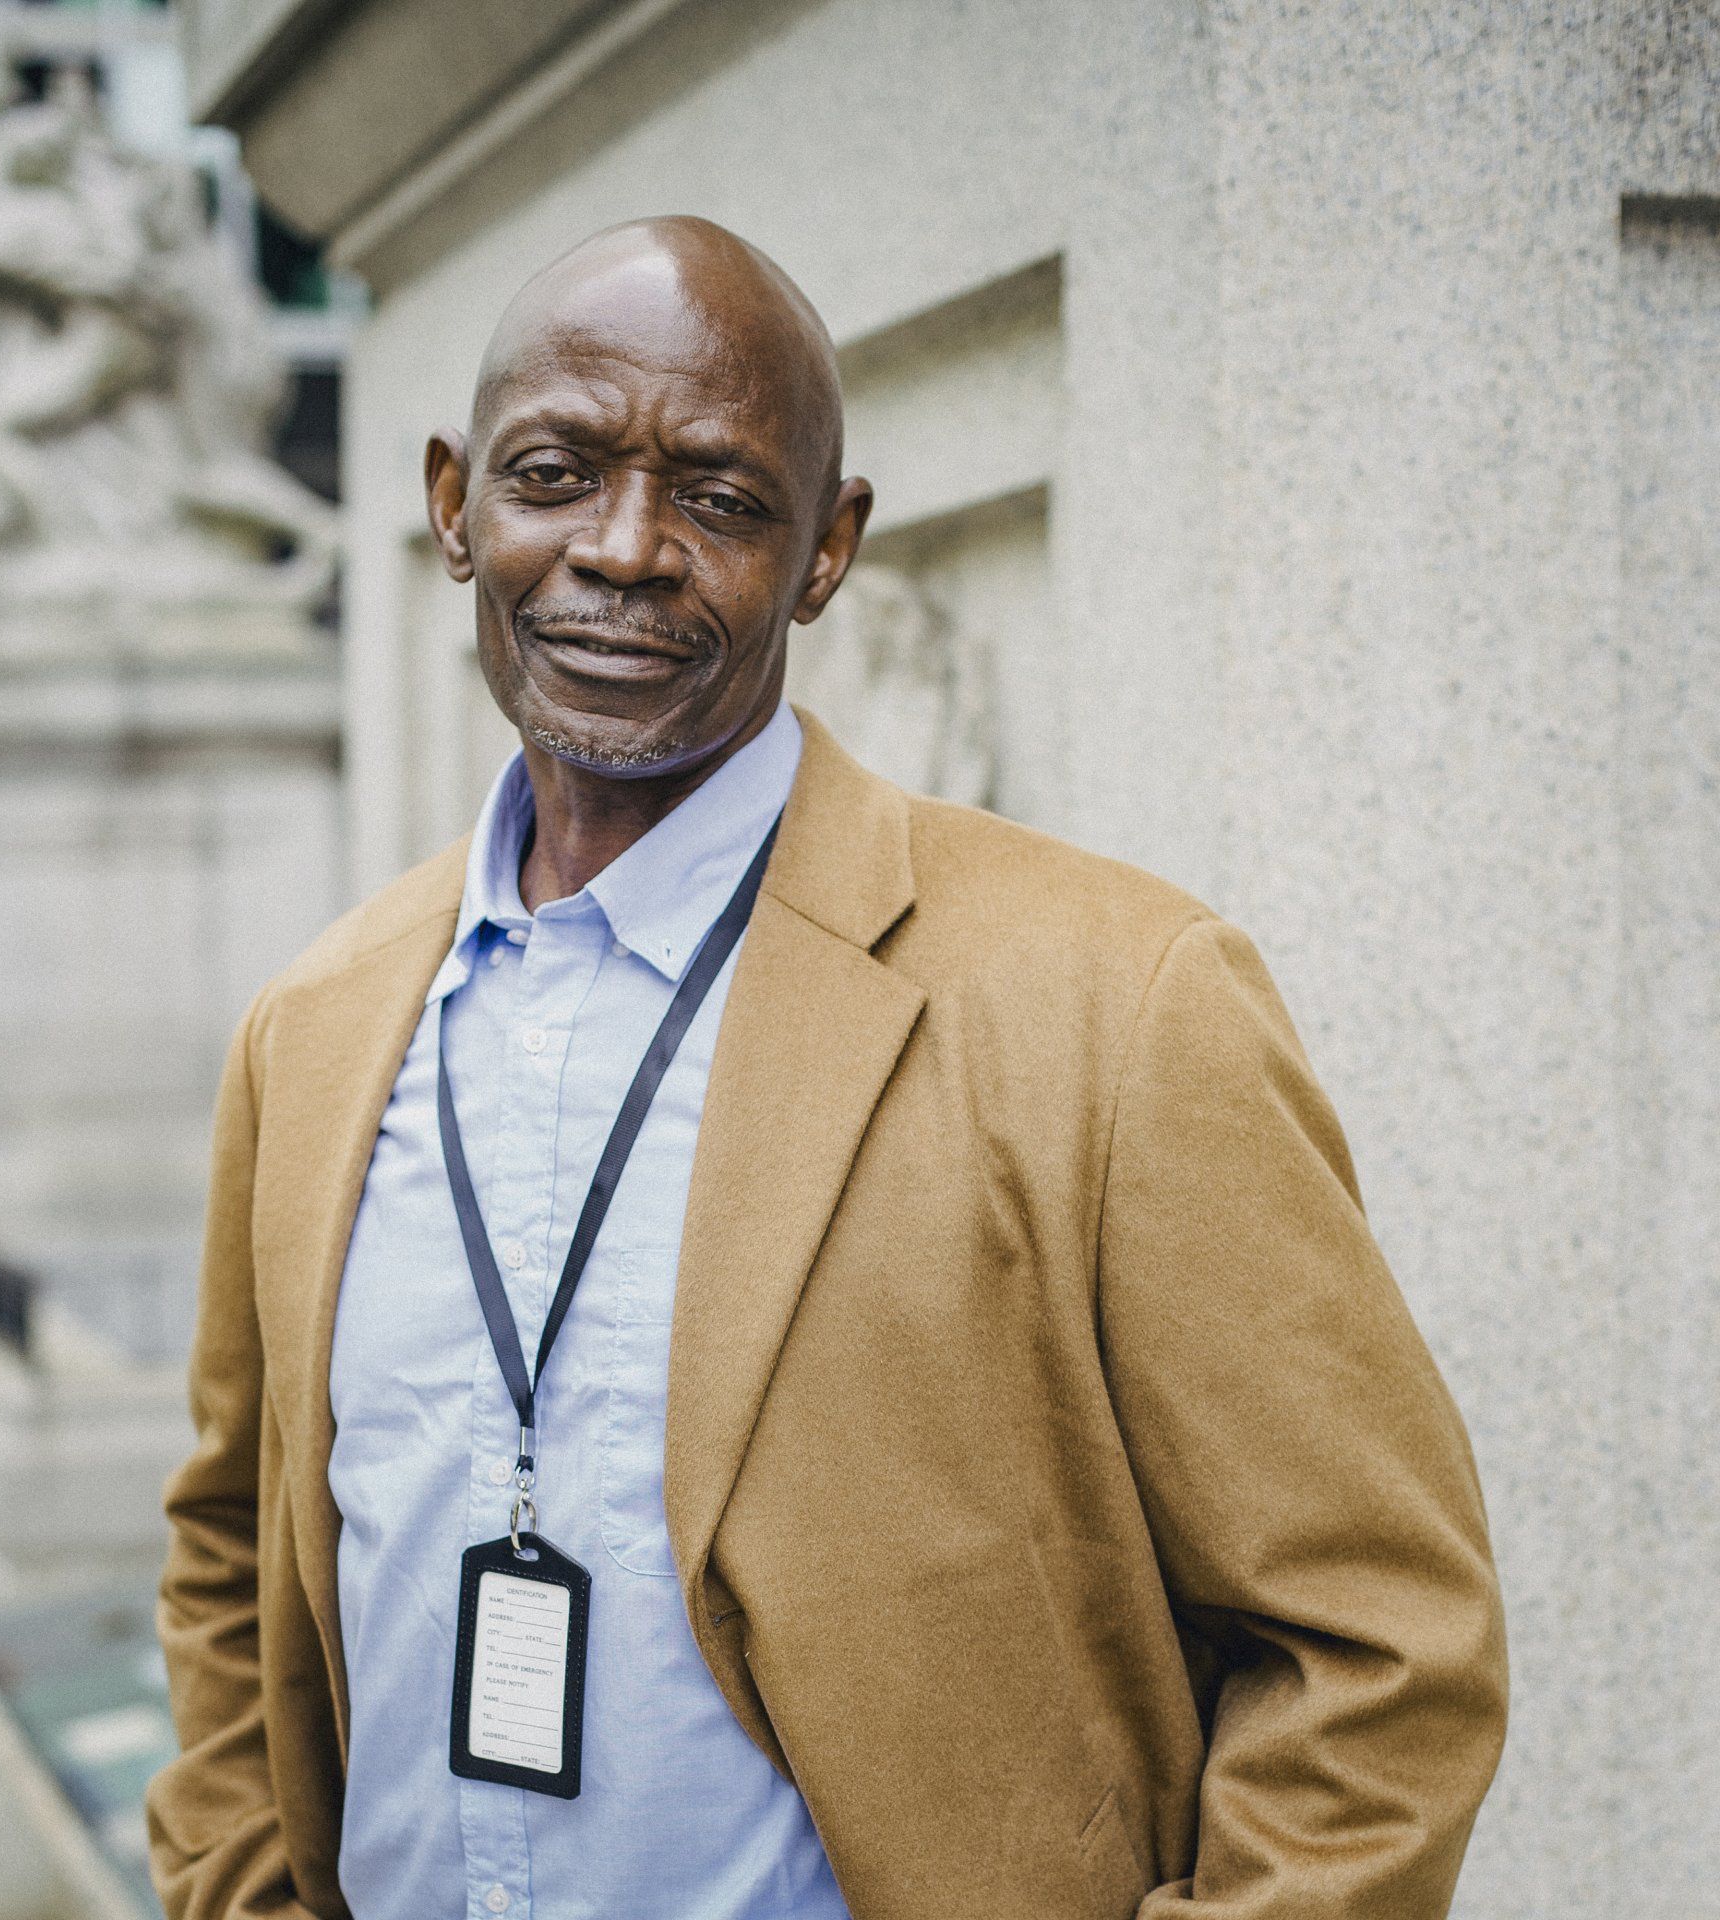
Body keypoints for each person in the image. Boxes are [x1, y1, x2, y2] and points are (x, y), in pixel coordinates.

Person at [147, 216, 1507, 1920]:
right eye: (555, 473)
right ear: (451, 503)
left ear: (827, 548)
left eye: (718, 497)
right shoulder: (317, 1024)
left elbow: (1384, 1648)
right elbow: (228, 1560)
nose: (624, 551)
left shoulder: (1122, 1002)